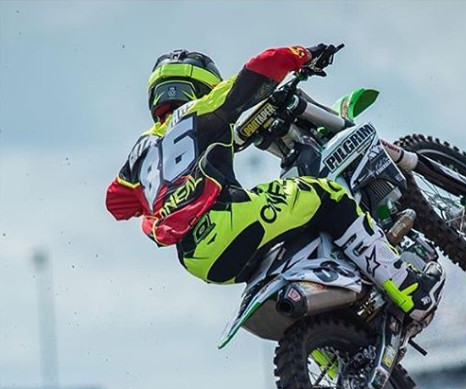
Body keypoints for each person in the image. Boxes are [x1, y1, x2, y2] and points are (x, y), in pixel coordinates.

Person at [106, 44, 444, 321]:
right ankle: (410, 289)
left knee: (299, 233)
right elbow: (261, 67)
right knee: (328, 196)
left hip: (199, 260)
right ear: (200, 82)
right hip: (229, 221)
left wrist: (158, 195)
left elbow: (116, 203)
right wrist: (306, 55)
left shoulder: (140, 153)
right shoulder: (203, 108)